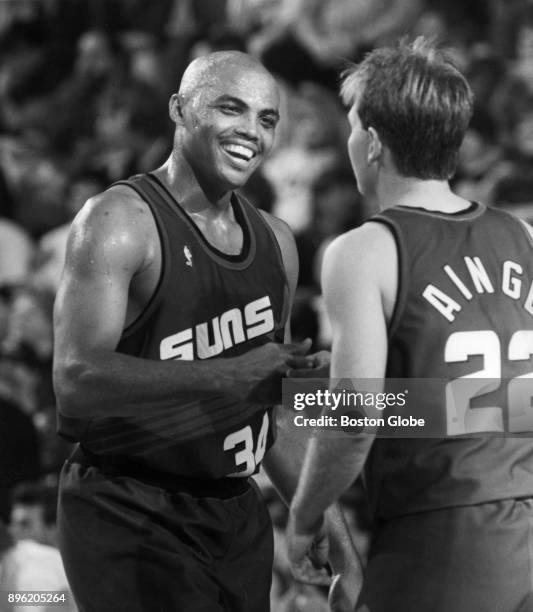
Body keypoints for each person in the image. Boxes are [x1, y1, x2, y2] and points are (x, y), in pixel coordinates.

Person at [53, 51, 359, 611]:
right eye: (230, 108)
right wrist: (226, 375)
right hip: (129, 505)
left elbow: (276, 411)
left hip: (234, 513)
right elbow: (75, 378)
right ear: (179, 109)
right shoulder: (120, 220)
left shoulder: (277, 243)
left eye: (267, 119)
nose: (251, 131)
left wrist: (326, 526)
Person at [286, 37, 533, 611]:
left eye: (351, 127)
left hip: (443, 538)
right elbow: (478, 395)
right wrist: (306, 398)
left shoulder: (362, 250)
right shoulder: (522, 238)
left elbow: (356, 416)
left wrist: (304, 516)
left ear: (372, 142)